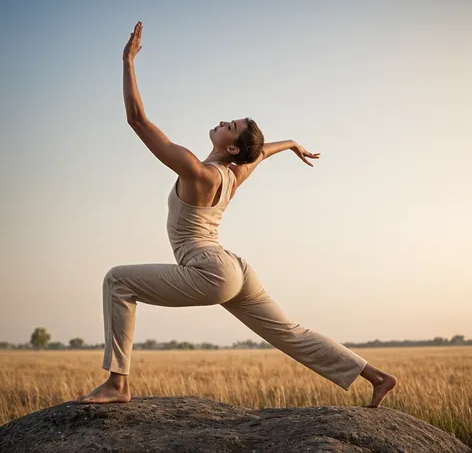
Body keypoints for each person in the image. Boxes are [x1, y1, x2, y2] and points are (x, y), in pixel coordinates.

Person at [77, 22, 397, 407]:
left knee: (118, 281)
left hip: (207, 268)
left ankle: (117, 384)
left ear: (231, 148)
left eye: (231, 127)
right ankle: (375, 376)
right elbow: (260, 153)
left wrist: (128, 61)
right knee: (291, 332)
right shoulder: (233, 172)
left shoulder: (198, 172)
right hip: (234, 269)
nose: (224, 121)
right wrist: (292, 142)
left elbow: (138, 121)